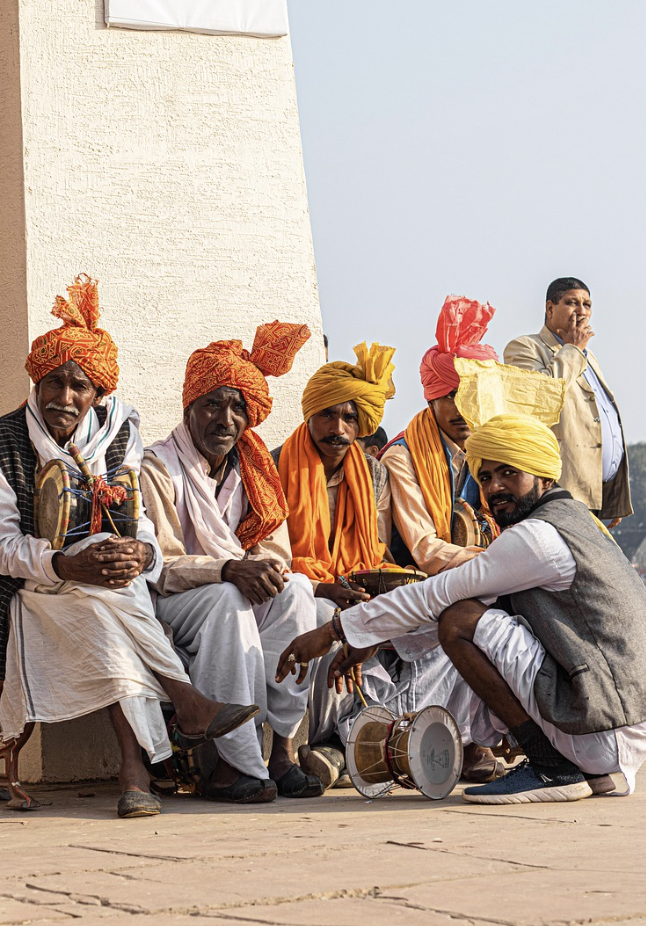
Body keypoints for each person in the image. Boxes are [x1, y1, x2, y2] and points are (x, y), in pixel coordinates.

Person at [0, 275, 257, 819]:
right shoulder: (0, 442)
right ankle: (179, 709)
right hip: (21, 592)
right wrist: (64, 562)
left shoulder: (119, 431)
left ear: (98, 393)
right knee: (103, 592)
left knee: (106, 600)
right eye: (55, 383)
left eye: (80, 387)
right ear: (37, 384)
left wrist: (142, 555)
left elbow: (137, 521)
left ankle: (136, 772)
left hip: (104, 594)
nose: (65, 398)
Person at [277, 414, 646, 805]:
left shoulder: (538, 538)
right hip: (618, 734)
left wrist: (334, 630)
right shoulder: (573, 521)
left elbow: (437, 594)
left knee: (458, 623)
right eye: (485, 478)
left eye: (508, 473)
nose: (495, 488)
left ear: (544, 477)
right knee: (465, 613)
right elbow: (455, 597)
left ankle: (549, 766)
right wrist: (376, 635)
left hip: (601, 728)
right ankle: (548, 760)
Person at [139, 322, 320, 804]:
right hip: (175, 603)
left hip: (232, 588)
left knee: (298, 591)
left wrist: (258, 567)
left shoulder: (254, 468)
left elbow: (275, 549)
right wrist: (227, 569)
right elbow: (160, 564)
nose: (226, 418)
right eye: (212, 404)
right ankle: (230, 766)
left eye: (238, 406)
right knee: (226, 598)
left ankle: (281, 750)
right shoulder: (158, 467)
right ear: (189, 408)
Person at [379, 296, 502, 783]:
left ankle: (480, 735)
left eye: (470, 397)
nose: (461, 409)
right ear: (431, 398)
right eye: (450, 397)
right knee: (472, 612)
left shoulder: (488, 453)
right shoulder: (403, 457)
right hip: (410, 584)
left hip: (472, 575)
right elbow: (426, 549)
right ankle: (425, 735)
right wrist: (497, 563)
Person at [274, 343, 399, 790]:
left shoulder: (373, 473)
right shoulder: (274, 465)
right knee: (325, 620)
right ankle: (319, 745)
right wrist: (324, 588)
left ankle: (342, 749)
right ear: (309, 416)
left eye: (349, 418)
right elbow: (268, 552)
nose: (338, 428)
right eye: (327, 415)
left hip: (352, 588)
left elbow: (374, 551)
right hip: (294, 590)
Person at [504, 277, 631, 526]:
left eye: (587, 304)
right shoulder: (525, 347)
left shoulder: (587, 355)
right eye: (572, 303)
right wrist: (571, 350)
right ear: (550, 308)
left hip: (595, 494)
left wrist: (611, 495)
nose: (582, 311)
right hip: (560, 492)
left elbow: (600, 419)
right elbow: (540, 399)